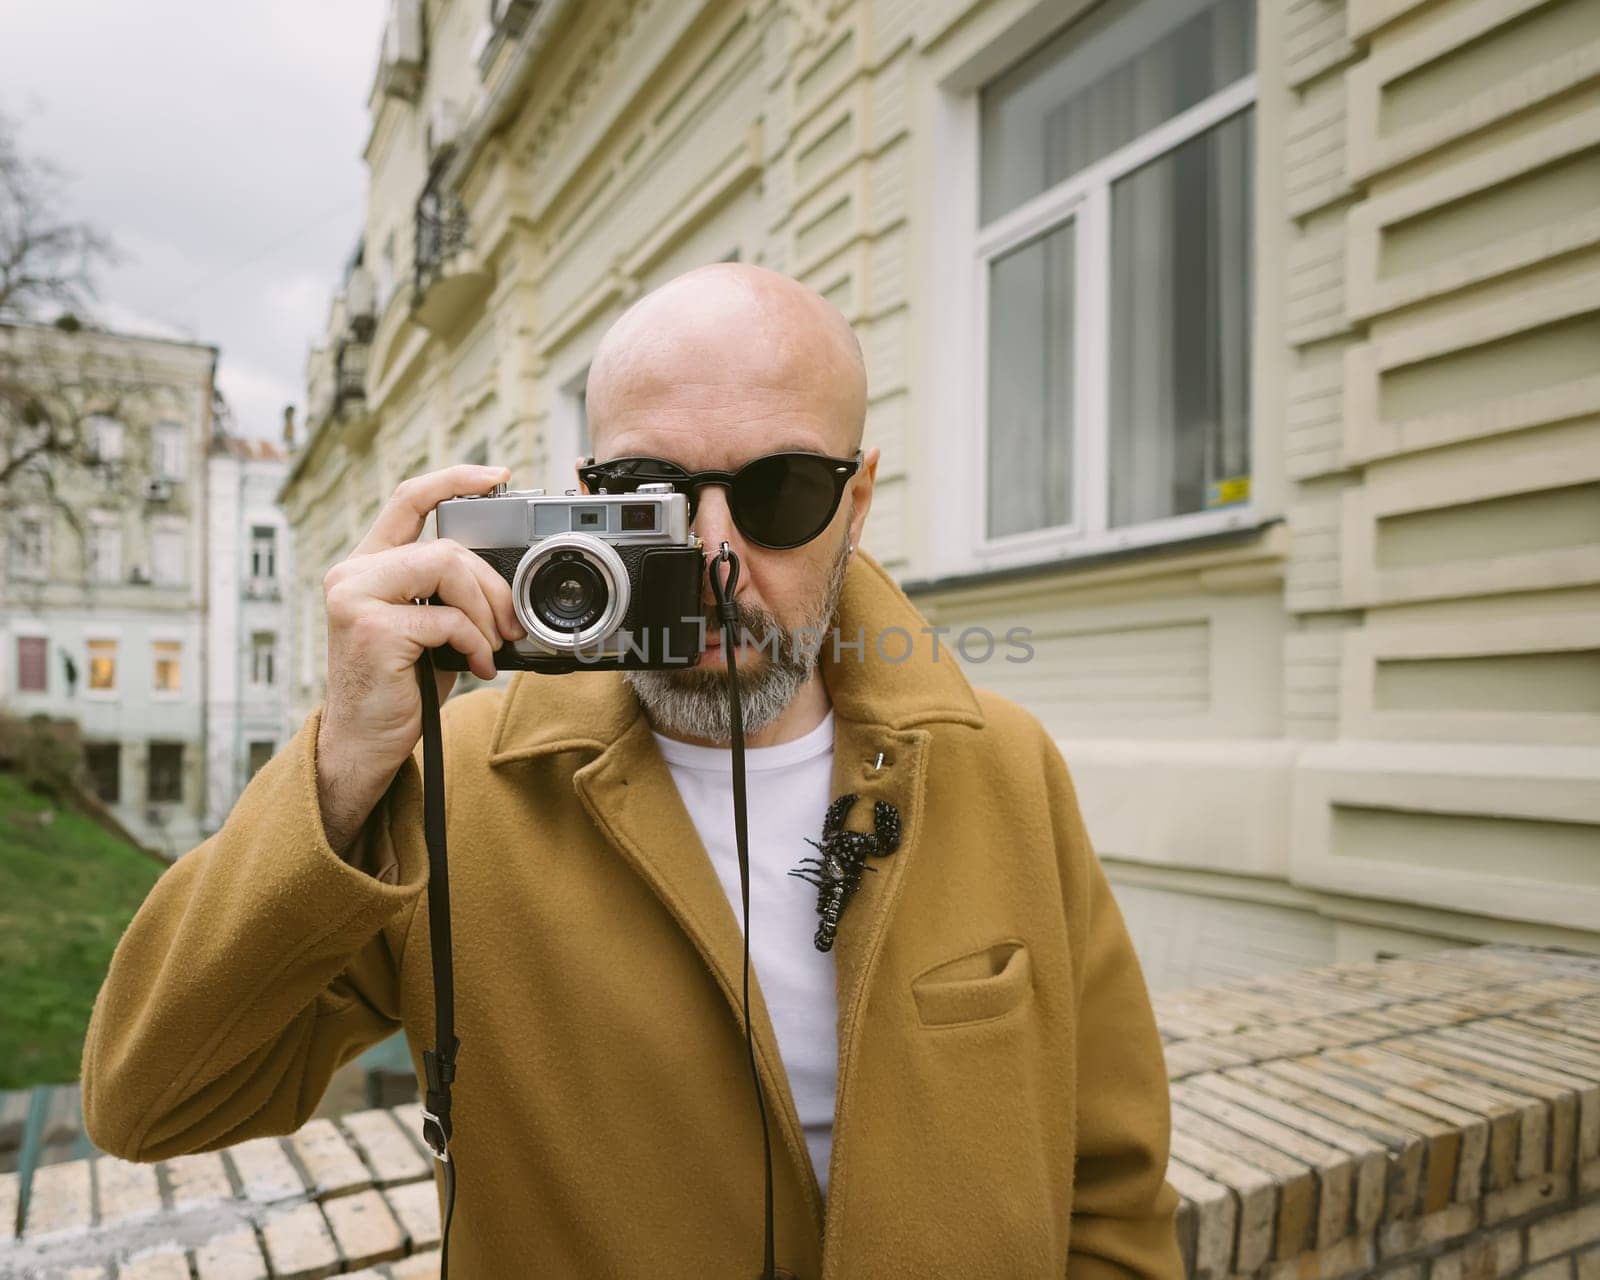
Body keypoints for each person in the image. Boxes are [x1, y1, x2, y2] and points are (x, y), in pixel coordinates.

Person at [82, 263, 1183, 1277]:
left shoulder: (1005, 769)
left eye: (781, 492)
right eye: (652, 493)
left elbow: (1113, 1188)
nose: (713, 554)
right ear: (584, 496)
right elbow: (151, 1099)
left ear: (856, 501)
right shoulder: (454, 789)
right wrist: (342, 765)